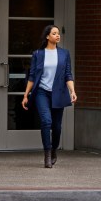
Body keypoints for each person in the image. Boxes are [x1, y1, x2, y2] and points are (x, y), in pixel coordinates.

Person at [21, 25, 77, 168]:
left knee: (57, 126)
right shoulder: (38, 54)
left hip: (59, 92)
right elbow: (32, 76)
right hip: (41, 92)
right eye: (54, 33)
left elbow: (68, 75)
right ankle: (46, 154)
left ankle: (53, 150)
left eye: (58, 33)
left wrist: (72, 91)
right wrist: (26, 95)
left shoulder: (64, 54)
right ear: (47, 36)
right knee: (46, 121)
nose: (58, 36)